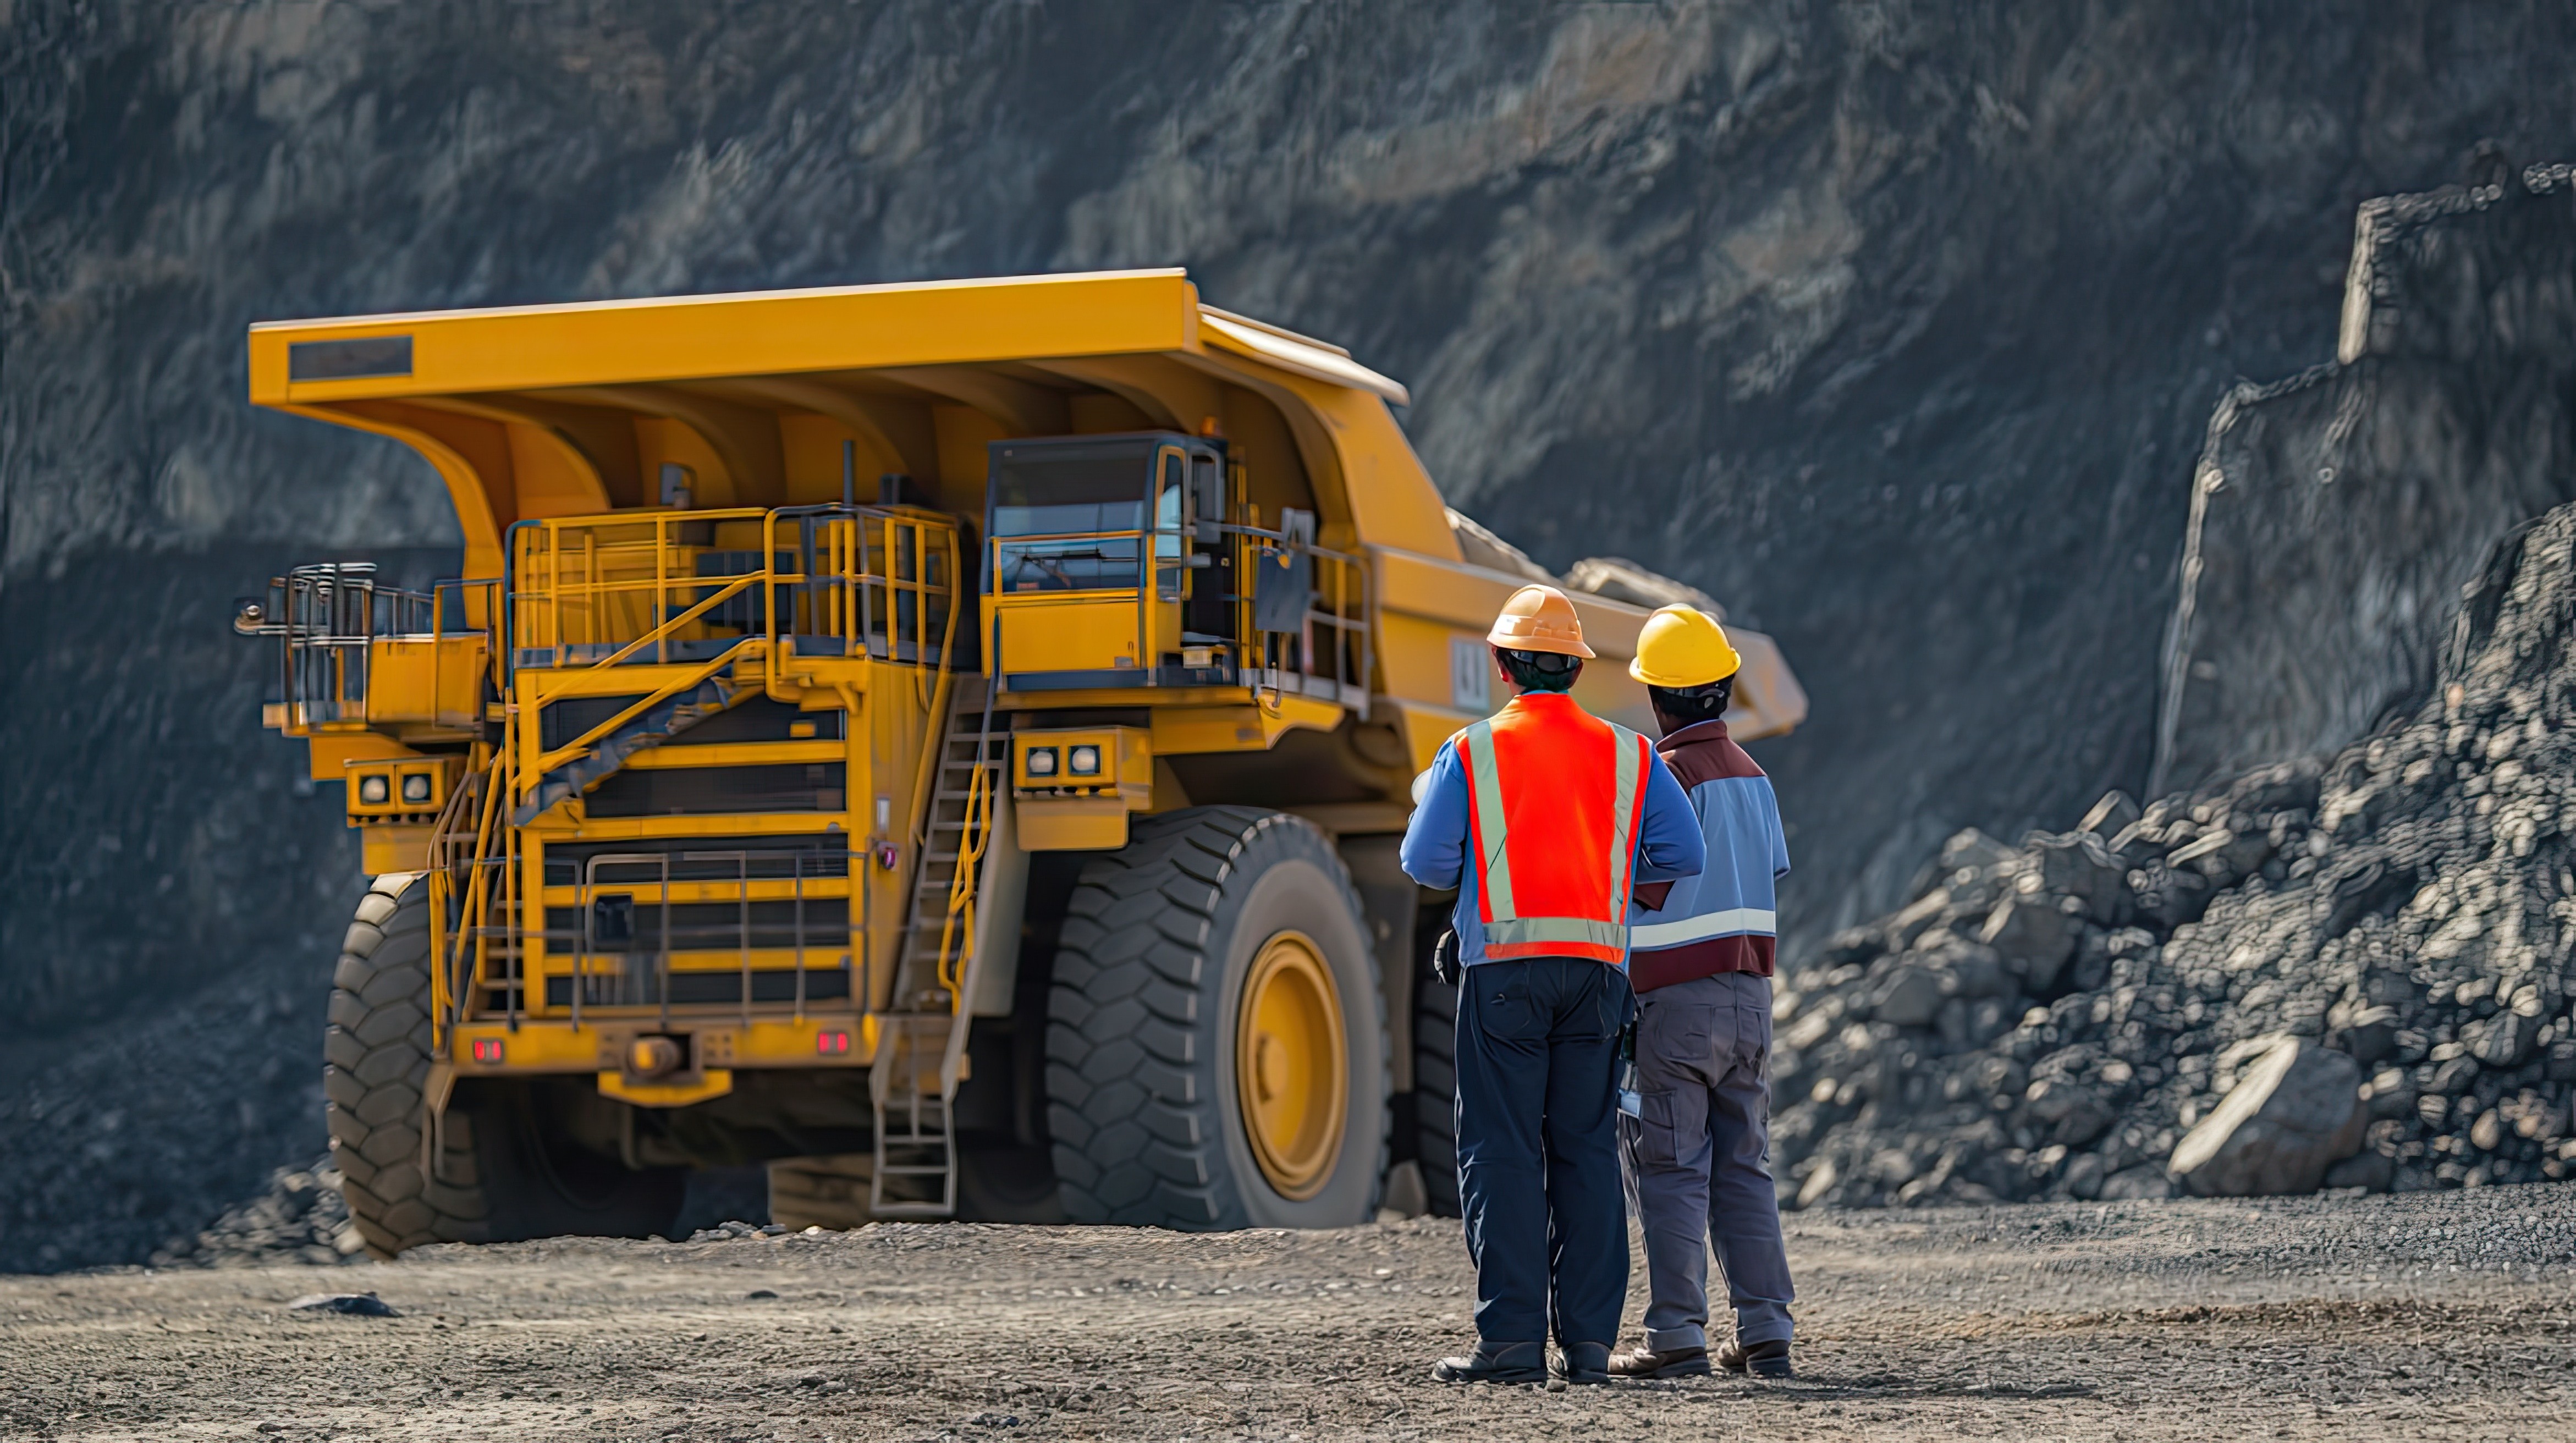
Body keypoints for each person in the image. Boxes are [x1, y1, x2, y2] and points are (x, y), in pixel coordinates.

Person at [1400, 584, 1705, 1385]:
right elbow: (1685, 855)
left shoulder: (1471, 751)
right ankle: (1590, 1348)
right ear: (1576, 669)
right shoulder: (1630, 753)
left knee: (1501, 1150)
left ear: (1502, 666)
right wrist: (1605, 880)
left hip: (1502, 976)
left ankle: (1510, 1343)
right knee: (1587, 1151)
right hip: (1599, 977)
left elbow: (1425, 863)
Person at [1608, 604, 1799, 1381]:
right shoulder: (1756, 779)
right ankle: (1766, 1330)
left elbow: (1644, 888)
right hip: (1750, 1001)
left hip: (1675, 1003)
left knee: (1671, 1168)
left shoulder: (1663, 778)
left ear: (1656, 697)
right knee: (1745, 1163)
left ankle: (1676, 1334)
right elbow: (1770, 870)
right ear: (1724, 687)